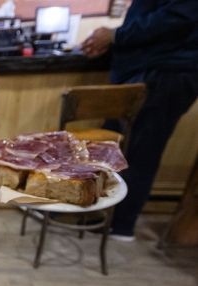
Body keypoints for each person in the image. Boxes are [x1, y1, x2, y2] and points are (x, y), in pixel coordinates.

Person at [81, 0, 198, 241]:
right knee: (114, 150)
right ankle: (103, 216)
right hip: (149, 68)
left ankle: (121, 224)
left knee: (142, 151)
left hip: (165, 71)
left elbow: (174, 20)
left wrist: (116, 36)